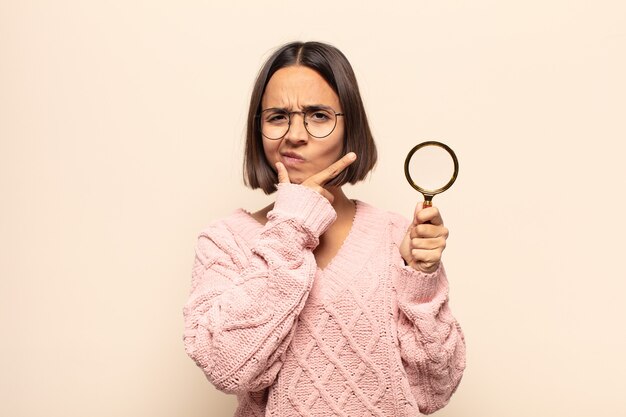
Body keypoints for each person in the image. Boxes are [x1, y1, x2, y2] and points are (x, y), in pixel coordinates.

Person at [183, 41, 465, 416]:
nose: (294, 135)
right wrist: (293, 224)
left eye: (318, 115)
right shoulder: (225, 241)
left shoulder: (395, 237)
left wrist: (422, 280)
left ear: (352, 127)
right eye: (277, 116)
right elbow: (226, 368)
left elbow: (434, 390)